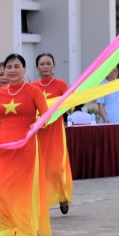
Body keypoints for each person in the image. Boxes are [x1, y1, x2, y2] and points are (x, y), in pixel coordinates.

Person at [0, 53, 52, 236]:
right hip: (3, 148)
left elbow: (46, 116)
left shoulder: (34, 91)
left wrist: (38, 124)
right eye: (9, 67)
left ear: (24, 70)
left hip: (26, 146)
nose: (12, 70)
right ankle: (2, 233)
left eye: (16, 66)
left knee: (24, 192)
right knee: (1, 190)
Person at [32, 53, 73, 214]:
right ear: (37, 68)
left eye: (48, 63)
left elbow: (70, 104)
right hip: (39, 132)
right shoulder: (33, 87)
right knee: (40, 167)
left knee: (57, 167)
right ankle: (42, 201)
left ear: (53, 66)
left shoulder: (61, 85)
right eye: (42, 64)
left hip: (56, 130)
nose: (45, 66)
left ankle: (62, 196)